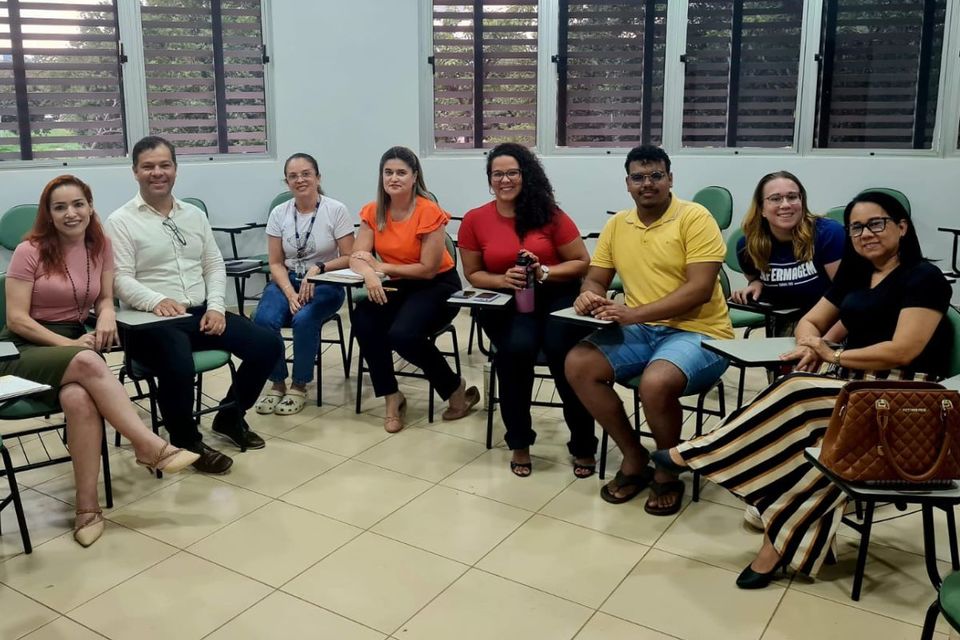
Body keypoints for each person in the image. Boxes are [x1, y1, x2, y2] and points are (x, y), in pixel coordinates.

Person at [654, 190, 954, 588]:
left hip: (910, 402)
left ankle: (698, 453)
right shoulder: (858, 271)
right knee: (825, 449)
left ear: (902, 227)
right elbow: (810, 322)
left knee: (798, 392)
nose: (866, 234)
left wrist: (832, 355)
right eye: (857, 227)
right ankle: (776, 548)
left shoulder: (923, 278)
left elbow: (904, 350)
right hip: (858, 392)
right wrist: (812, 343)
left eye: (876, 223)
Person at [1, 175, 199, 547]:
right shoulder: (31, 250)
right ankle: (148, 446)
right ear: (49, 213)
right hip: (23, 347)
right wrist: (71, 345)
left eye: (78, 204)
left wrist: (106, 316)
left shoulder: (100, 245)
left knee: (78, 399)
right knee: (91, 363)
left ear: (90, 206)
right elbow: (17, 320)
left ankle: (87, 508)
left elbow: (105, 299)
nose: (70, 213)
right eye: (60, 207)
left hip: (74, 341)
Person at [564, 144, 732, 516]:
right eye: (638, 177)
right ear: (627, 184)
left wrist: (633, 314)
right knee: (579, 364)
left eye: (656, 175)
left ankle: (669, 468)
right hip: (641, 329)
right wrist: (588, 296)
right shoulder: (618, 224)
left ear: (670, 179)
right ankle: (634, 456)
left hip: (700, 331)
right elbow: (595, 277)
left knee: (656, 383)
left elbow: (699, 290)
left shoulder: (695, 217)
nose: (648, 184)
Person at [105, 136, 283, 474]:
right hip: (150, 322)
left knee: (267, 344)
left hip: (199, 313)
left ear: (175, 169)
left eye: (164, 165)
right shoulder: (121, 221)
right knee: (178, 360)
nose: (157, 173)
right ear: (135, 172)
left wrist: (216, 306)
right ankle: (186, 440)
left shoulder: (193, 214)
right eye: (148, 167)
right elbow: (119, 279)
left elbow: (214, 265)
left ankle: (230, 417)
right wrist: (157, 300)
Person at [458, 143, 595, 477]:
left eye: (512, 173)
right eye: (498, 174)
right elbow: (473, 274)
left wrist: (543, 271)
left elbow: (581, 262)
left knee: (563, 352)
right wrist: (503, 278)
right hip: (507, 301)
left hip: (555, 295)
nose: (505, 180)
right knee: (515, 352)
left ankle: (583, 445)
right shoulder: (476, 219)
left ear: (525, 175)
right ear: (490, 179)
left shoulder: (548, 214)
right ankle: (519, 441)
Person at [349, 146, 479, 433]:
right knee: (364, 320)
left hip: (438, 286)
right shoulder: (373, 211)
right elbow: (357, 256)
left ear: (414, 176)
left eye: (401, 172)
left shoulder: (428, 211)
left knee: (403, 334)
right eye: (388, 172)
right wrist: (370, 274)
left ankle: (454, 388)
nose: (394, 178)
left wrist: (383, 269)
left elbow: (427, 268)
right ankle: (391, 397)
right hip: (399, 284)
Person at [252, 153, 354, 415]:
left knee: (305, 318)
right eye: (293, 176)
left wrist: (317, 269)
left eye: (306, 174)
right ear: (286, 182)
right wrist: (289, 292)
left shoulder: (335, 210)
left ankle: (299, 385)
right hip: (287, 281)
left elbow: (350, 258)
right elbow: (275, 263)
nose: (300, 180)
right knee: (263, 318)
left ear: (318, 177)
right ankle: (277, 383)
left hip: (326, 283)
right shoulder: (279, 213)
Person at [731, 171, 845, 334]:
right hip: (785, 323)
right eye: (775, 199)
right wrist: (756, 283)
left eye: (792, 197)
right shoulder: (748, 245)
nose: (785, 204)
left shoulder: (828, 233)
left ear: (802, 202)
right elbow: (755, 277)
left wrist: (823, 342)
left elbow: (846, 294)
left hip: (831, 324)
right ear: (762, 208)